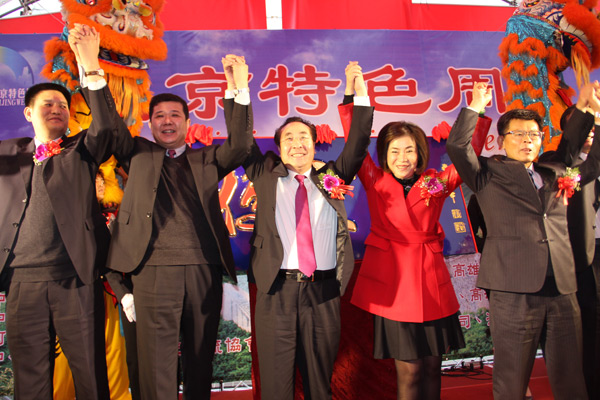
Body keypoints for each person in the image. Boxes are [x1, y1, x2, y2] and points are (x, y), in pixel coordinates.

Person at [105, 54, 253, 400]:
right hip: (152, 272)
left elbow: (241, 145)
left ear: (187, 122)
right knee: (157, 365)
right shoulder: (137, 154)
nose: (167, 121)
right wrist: (93, 72)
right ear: (150, 123)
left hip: (203, 271)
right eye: (159, 116)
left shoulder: (207, 158)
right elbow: (110, 127)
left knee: (200, 359)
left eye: (175, 115)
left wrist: (237, 87)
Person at [0, 23, 132, 399]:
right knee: (31, 378)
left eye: (62, 105)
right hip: (21, 282)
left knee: (91, 373)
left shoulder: (81, 150)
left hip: (75, 278)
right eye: (48, 104)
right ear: (29, 113)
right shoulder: (7, 153)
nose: (57, 109)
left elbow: (107, 125)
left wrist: (90, 65)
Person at [446, 81, 600, 400]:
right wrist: (476, 105)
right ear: (502, 140)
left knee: (571, 376)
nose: (527, 140)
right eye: (517, 134)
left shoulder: (556, 172)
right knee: (512, 380)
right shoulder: (487, 172)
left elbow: (589, 161)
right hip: (514, 291)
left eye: (533, 134)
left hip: (562, 288)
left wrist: (593, 115)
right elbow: (458, 147)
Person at [341, 78, 489, 400]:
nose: (402, 157)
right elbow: (355, 143)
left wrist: (475, 109)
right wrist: (356, 96)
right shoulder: (374, 179)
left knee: (432, 368)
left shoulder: (434, 183)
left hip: (430, 284)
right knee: (409, 373)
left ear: (420, 152)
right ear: (384, 154)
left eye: (409, 150)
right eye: (395, 151)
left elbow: (467, 157)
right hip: (394, 288)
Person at [242, 61, 373, 399]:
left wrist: (358, 94)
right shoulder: (266, 176)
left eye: (304, 137)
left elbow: (358, 143)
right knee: (276, 387)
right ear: (278, 147)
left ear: (315, 144)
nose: (297, 143)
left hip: (323, 291)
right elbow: (241, 140)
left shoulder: (331, 178)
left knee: (319, 383)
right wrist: (239, 88)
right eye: (289, 137)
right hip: (277, 292)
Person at [539, 101, 600, 399]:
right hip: (582, 259)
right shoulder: (557, 164)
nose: (591, 129)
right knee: (588, 334)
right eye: (583, 123)